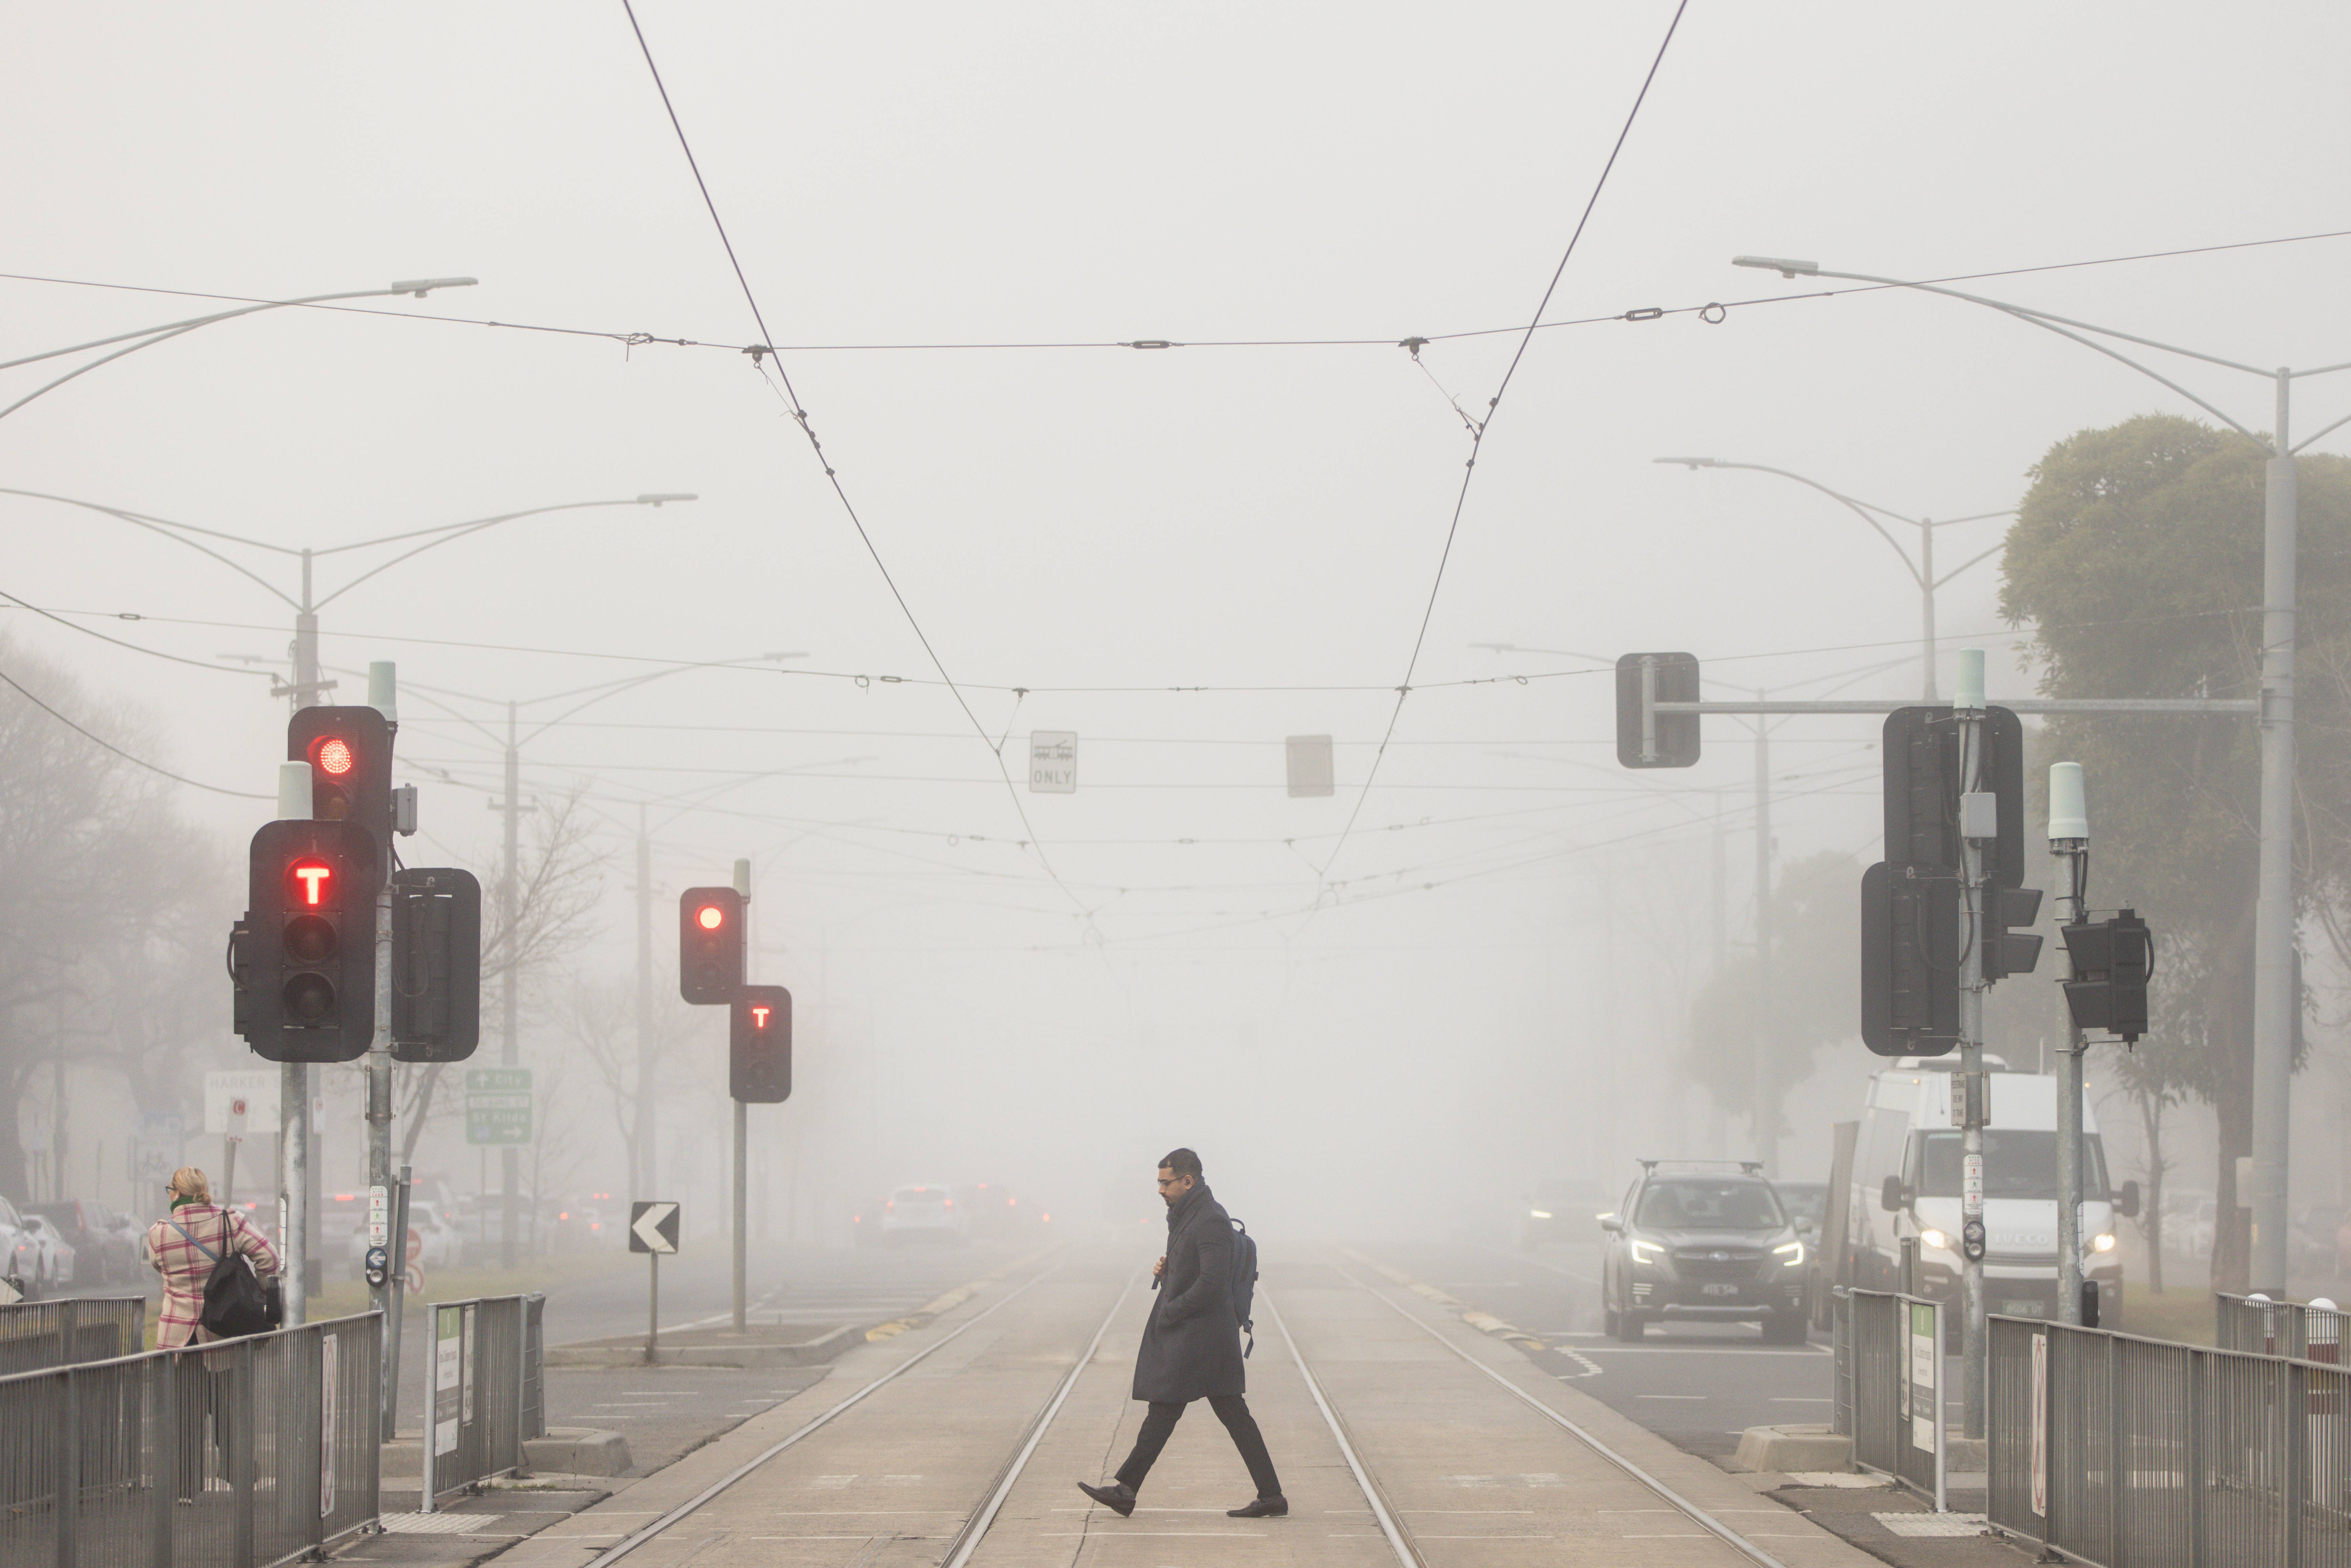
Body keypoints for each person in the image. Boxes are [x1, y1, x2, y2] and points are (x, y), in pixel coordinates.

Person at [1079, 1147, 1285, 1519]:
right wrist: (1169, 1268)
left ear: (1188, 1181)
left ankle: (1127, 1489)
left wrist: (1172, 1310)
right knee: (1212, 1413)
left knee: (1172, 1409)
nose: (1160, 1189)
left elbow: (1213, 1281)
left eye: (1166, 1182)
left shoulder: (1210, 1219)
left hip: (1204, 1336)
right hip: (1200, 1334)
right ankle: (1271, 1496)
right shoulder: (1188, 1216)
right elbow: (1197, 1267)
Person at [145, 1166, 279, 1349]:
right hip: (223, 1333)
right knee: (221, 1378)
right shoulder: (229, 1223)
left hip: (174, 1338)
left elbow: (158, 1266)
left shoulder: (159, 1234)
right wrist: (260, 1292)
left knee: (177, 1378)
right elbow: (270, 1257)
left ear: (177, 1194)